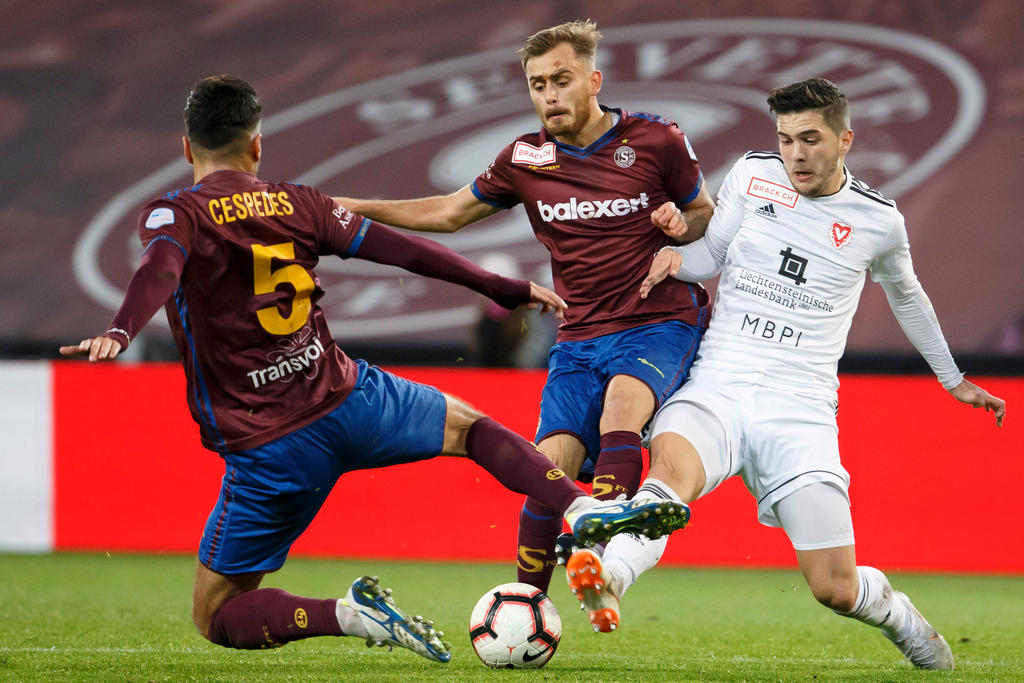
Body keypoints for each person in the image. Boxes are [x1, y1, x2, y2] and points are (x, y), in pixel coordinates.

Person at [59, 75, 690, 663]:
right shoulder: (299, 204)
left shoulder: (177, 213)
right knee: (471, 429)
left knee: (218, 615)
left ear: (186, 146)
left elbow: (160, 269)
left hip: (270, 445)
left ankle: (350, 616)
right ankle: (580, 508)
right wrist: (499, 286)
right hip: (350, 399)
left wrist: (121, 329)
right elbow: (407, 252)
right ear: (256, 145)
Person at [565, 77, 1006, 668]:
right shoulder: (751, 174)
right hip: (719, 382)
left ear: (845, 140)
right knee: (669, 476)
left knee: (835, 588)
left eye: (810, 139)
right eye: (786, 138)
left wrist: (951, 379)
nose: (796, 153)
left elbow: (909, 298)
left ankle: (901, 617)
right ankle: (611, 575)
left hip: (800, 408)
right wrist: (673, 255)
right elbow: (712, 256)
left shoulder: (879, 222)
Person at [333, 20, 715, 593]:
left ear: (593, 80)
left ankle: (604, 562)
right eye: (537, 84)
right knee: (549, 462)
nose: (548, 95)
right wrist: (345, 208)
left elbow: (704, 212)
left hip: (657, 319)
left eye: (561, 80)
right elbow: (447, 213)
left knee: (622, 409)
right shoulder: (524, 159)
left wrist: (680, 226)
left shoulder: (657, 139)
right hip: (580, 333)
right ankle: (528, 599)